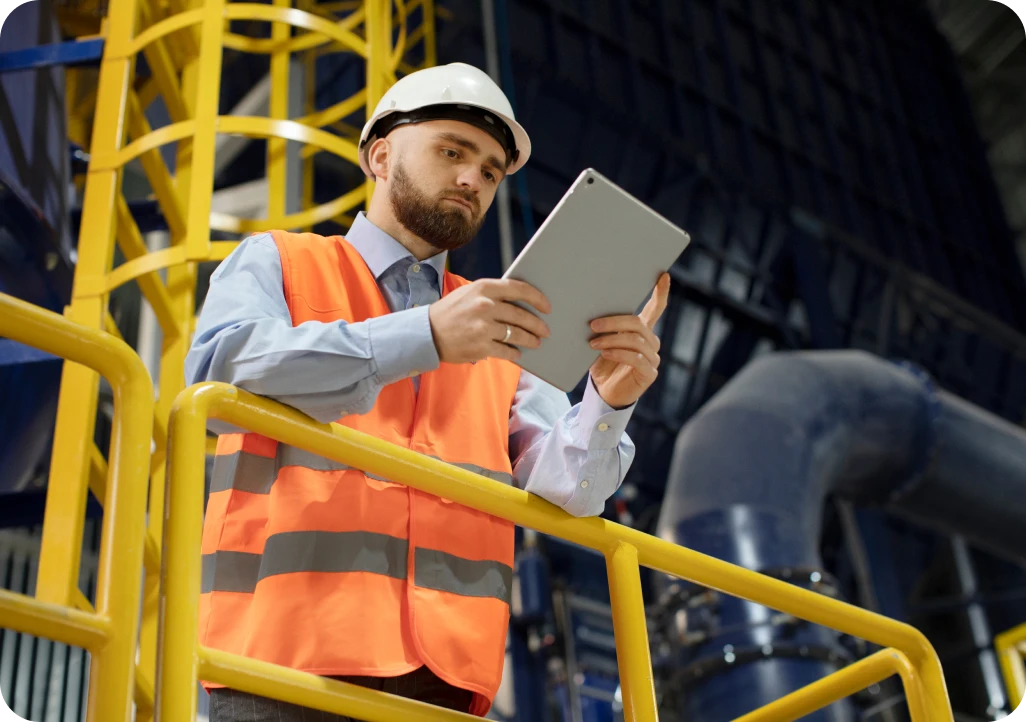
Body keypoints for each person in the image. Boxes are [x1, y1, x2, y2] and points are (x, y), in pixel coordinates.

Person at [184, 62, 670, 722]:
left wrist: (609, 402)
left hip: (443, 678)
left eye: (492, 170)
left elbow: (570, 491)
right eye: (453, 152)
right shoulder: (280, 262)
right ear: (381, 155)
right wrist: (425, 337)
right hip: (285, 659)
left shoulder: (497, 324)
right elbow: (218, 368)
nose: (474, 179)